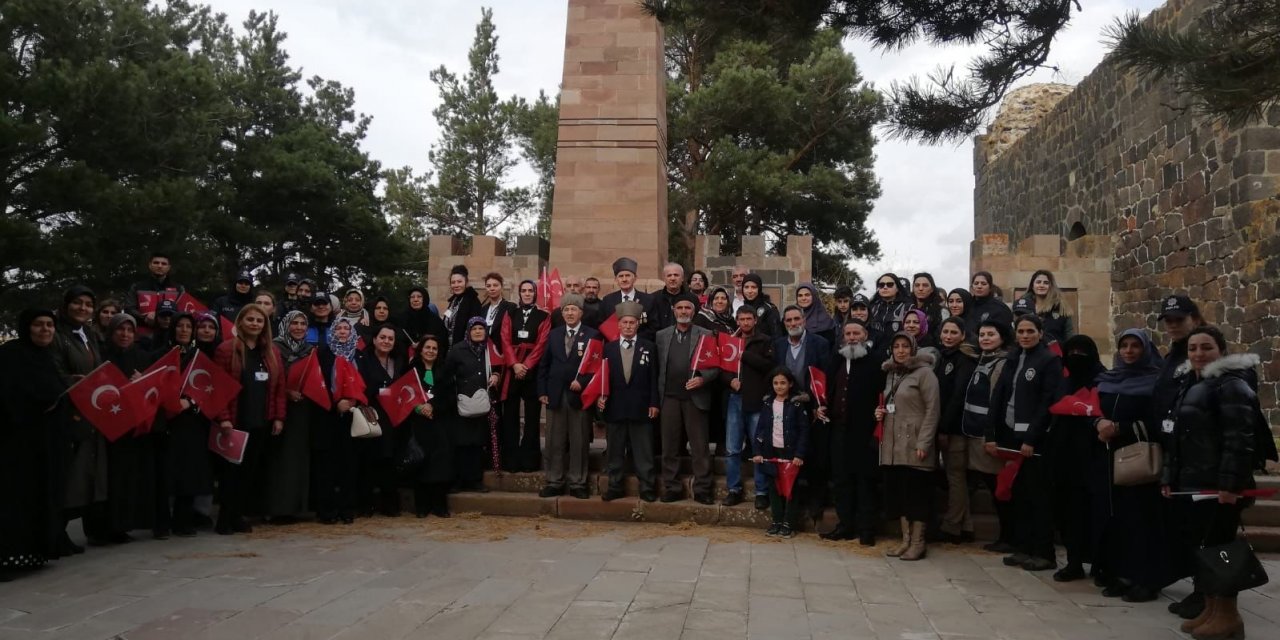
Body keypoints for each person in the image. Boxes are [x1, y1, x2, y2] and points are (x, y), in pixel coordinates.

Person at [1163, 326, 1262, 640]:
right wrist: (1169, 477)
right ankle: (1211, 609)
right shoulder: (1191, 385)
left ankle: (1229, 616)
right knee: (1203, 550)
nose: (1197, 354)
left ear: (1221, 350)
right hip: (1194, 484)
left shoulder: (1232, 386)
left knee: (1221, 553)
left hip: (1219, 487)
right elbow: (1177, 439)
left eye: (1206, 348)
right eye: (1192, 349)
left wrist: (1230, 485)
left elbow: (1240, 440)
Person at [1086, 330, 1172, 601]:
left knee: (1142, 520)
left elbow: (1160, 423)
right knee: (1118, 518)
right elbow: (1093, 410)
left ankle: (1146, 578)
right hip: (1108, 458)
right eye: (1124, 346)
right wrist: (1098, 423)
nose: (1129, 351)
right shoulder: (1108, 380)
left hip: (1139, 459)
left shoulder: (1156, 382)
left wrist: (1121, 428)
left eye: (1135, 346)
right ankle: (1121, 573)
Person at [987, 314, 1064, 572]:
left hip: (1034, 441)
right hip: (1010, 436)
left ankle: (1044, 553)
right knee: (1018, 495)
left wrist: (1033, 437)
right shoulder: (1012, 358)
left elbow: (1047, 403)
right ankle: (1023, 548)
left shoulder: (1049, 361)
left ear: (1040, 333)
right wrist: (992, 434)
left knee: (1037, 497)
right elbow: (999, 395)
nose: (1025, 336)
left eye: (1030, 331)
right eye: (1021, 331)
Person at [1151, 294, 1209, 619]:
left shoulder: (1199, 355)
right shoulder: (1173, 355)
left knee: (1201, 529)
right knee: (1184, 526)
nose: (1173, 325)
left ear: (1195, 319)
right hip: (1174, 453)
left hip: (1196, 456)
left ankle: (1207, 593)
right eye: (1169, 320)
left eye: (1179, 319)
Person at [0, 309, 67, 578]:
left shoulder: (46, 357)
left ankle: (33, 553)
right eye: (38, 325)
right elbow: (7, 396)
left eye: (50, 325)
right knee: (15, 500)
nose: (45, 330)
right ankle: (9, 557)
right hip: (16, 443)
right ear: (27, 327)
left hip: (44, 442)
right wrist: (37, 405)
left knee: (39, 496)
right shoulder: (10, 355)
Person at [212, 305, 286, 535]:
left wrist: (278, 417)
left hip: (260, 421)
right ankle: (225, 518)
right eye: (251, 319)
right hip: (235, 422)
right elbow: (217, 388)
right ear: (241, 321)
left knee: (249, 473)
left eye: (260, 321)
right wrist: (223, 419)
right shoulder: (226, 350)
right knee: (230, 474)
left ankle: (238, 515)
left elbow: (279, 388)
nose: (255, 324)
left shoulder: (271, 352)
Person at [816, 319, 885, 545]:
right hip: (839, 430)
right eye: (848, 333)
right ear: (843, 337)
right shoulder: (836, 360)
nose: (852, 337)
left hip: (864, 431)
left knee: (864, 482)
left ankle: (866, 530)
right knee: (841, 480)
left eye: (857, 333)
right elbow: (829, 390)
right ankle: (845, 526)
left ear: (865, 335)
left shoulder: (876, 362)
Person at [876, 333, 940, 561]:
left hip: (914, 442)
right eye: (896, 346)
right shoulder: (892, 374)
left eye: (905, 346)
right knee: (900, 494)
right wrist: (880, 412)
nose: (901, 350)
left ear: (913, 349)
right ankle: (904, 540)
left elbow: (933, 410)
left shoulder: (925, 374)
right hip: (894, 443)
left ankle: (918, 542)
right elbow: (890, 403)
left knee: (917, 495)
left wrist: (924, 442)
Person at [50, 285, 104, 555]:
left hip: (89, 411)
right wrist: (73, 382)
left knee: (83, 476)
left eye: (87, 304)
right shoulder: (57, 335)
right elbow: (55, 371)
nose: (83, 308)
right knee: (67, 475)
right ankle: (55, 532)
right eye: (77, 303)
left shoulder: (88, 335)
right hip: (68, 411)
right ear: (66, 304)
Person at [1049, 334, 1106, 583]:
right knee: (1068, 510)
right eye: (1071, 353)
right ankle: (1073, 562)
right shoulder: (1062, 381)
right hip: (1064, 455)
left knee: (1095, 511)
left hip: (1093, 456)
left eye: (1082, 353)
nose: (1076, 358)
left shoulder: (1103, 380)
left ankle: (1099, 561)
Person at [97, 314, 158, 542]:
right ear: (111, 333)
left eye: (130, 331)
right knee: (110, 478)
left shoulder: (142, 357)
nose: (125, 335)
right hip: (109, 427)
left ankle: (124, 524)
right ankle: (106, 527)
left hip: (134, 427)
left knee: (129, 477)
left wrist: (142, 380)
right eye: (120, 330)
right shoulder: (102, 357)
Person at [656, 295, 719, 504]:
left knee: (700, 447)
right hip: (669, 398)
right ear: (674, 311)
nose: (683, 311)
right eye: (680, 308)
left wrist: (702, 378)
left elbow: (714, 366)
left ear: (694, 312)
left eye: (687, 308)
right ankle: (672, 487)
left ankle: (702, 488)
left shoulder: (706, 334)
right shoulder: (662, 336)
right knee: (669, 447)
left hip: (695, 399)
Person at [536, 294, 599, 499]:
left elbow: (597, 367)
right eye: (566, 310)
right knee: (554, 439)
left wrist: (582, 381)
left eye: (573, 309)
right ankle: (554, 480)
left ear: (581, 312)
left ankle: (578, 482)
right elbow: (544, 365)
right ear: (561, 313)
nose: (570, 313)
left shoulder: (592, 335)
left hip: (579, 396)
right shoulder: (554, 334)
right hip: (555, 395)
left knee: (579, 439)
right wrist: (543, 391)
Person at [597, 302, 660, 502]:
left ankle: (647, 487)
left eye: (632, 323)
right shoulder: (608, 348)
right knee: (615, 450)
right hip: (615, 406)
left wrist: (654, 403)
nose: (628, 326)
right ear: (618, 325)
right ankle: (615, 486)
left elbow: (654, 378)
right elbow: (602, 377)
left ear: (637, 324)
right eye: (624, 322)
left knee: (643, 451)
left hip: (641, 406)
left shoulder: (648, 347)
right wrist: (601, 397)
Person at [962, 320, 1015, 552]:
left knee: (998, 488)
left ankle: (1009, 535)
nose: (984, 338)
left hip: (988, 434)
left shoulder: (1003, 363)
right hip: (973, 430)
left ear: (1002, 338)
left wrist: (993, 434)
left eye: (990, 335)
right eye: (982, 334)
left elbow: (999, 401)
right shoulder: (981, 359)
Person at [773, 305, 829, 521]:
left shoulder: (820, 344)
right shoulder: (778, 345)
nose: (793, 323)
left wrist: (817, 402)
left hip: (813, 408)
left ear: (804, 320)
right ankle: (791, 501)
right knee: (791, 454)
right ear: (784, 323)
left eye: (796, 319)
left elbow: (825, 375)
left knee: (815, 456)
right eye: (789, 320)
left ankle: (816, 501)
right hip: (788, 408)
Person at [163, 313, 214, 537]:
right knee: (166, 471)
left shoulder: (199, 357)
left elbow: (208, 384)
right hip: (165, 420)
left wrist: (190, 400)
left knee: (189, 471)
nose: (183, 330)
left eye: (188, 327)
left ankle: (184, 519)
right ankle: (163, 520)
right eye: (179, 326)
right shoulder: (161, 353)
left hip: (191, 420)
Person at [722, 306, 775, 509]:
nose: (745, 322)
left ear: (755, 320)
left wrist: (744, 353)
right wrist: (730, 381)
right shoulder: (730, 341)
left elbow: (769, 367)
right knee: (732, 449)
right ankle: (733, 489)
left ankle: (761, 491)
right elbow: (722, 368)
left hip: (757, 399)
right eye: (741, 319)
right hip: (735, 399)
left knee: (758, 447)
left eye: (749, 319)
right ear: (737, 320)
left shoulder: (764, 340)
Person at [264, 310, 315, 523]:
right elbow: (268, 379)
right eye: (294, 323)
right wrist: (287, 392)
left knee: (297, 461)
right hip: (280, 410)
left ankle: (295, 507)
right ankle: (277, 508)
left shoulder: (310, 350)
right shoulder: (273, 348)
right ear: (286, 324)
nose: (299, 327)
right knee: (279, 462)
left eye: (303, 323)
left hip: (302, 413)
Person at [496, 280, 550, 473]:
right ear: (519, 293)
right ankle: (511, 459)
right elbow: (504, 338)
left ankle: (529, 460)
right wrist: (514, 364)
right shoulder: (510, 314)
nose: (527, 294)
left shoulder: (544, 316)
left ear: (535, 294)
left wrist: (526, 366)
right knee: (510, 414)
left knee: (532, 416)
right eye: (524, 291)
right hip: (512, 369)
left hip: (532, 370)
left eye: (530, 291)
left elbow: (542, 344)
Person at [933, 317, 979, 544]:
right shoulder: (944, 356)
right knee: (955, 475)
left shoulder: (965, 359)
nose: (948, 336)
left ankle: (952, 526)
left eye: (953, 332)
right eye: (945, 331)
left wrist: (944, 428)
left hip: (955, 428)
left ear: (962, 335)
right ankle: (967, 525)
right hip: (945, 424)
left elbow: (957, 396)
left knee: (955, 476)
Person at [444, 318, 502, 493]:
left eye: (481, 328)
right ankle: (459, 479)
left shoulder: (489, 349)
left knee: (477, 443)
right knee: (461, 443)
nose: (478, 331)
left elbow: (499, 367)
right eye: (474, 328)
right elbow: (447, 374)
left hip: (482, 403)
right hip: (461, 403)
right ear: (468, 331)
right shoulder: (457, 350)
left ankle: (475, 479)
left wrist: (497, 376)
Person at [752, 367, 810, 539]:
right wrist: (757, 451)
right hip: (771, 452)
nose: (779, 386)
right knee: (774, 489)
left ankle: (788, 523)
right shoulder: (767, 403)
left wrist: (799, 455)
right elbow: (760, 429)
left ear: (790, 384)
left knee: (791, 489)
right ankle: (776, 521)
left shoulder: (797, 404)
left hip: (790, 453)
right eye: (776, 383)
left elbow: (804, 431)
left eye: (783, 383)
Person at [315, 317, 363, 524]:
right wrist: (336, 404)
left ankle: (346, 508)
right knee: (328, 466)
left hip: (353, 416)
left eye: (346, 328)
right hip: (328, 416)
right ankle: (327, 509)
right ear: (332, 332)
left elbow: (366, 381)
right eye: (339, 328)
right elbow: (318, 384)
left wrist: (355, 401)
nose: (343, 331)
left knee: (349, 464)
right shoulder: (323, 355)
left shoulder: (358, 355)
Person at [356, 324, 406, 516]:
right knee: (369, 459)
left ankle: (390, 504)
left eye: (390, 339)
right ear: (375, 339)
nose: (386, 341)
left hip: (393, 417)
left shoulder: (398, 360)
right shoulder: (363, 359)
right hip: (371, 415)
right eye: (383, 337)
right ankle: (366, 504)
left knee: (390, 460)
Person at [406, 335, 454, 517]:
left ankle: (439, 506)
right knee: (422, 464)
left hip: (440, 422)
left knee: (440, 465)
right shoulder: (412, 369)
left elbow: (450, 396)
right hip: (419, 424)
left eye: (434, 348)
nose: (431, 351)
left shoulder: (445, 370)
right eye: (427, 347)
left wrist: (433, 406)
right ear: (421, 350)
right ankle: (422, 506)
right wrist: (419, 407)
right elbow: (405, 392)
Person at [124, 251, 185, 336]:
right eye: (156, 263)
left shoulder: (179, 289)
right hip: (142, 336)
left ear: (169, 267)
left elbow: (183, 312)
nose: (159, 266)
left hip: (170, 336)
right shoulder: (137, 287)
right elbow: (129, 309)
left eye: (164, 264)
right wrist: (144, 318)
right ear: (150, 265)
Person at [600, 257, 656, 341]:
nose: (624, 279)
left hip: (640, 346)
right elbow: (603, 327)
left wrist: (633, 339)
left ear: (635, 278)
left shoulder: (648, 300)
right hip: (615, 348)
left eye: (628, 275)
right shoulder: (608, 300)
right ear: (616, 280)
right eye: (621, 276)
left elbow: (653, 328)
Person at [1021, 270, 1074, 343]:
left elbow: (1069, 334)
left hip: (1055, 352)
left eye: (1046, 283)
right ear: (1032, 286)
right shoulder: (1022, 307)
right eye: (1038, 282)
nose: (1041, 285)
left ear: (1051, 286)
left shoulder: (1061, 307)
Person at [443, 265, 484, 347]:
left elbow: (474, 330)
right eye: (453, 282)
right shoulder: (453, 301)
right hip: (449, 349)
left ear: (466, 282)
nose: (456, 285)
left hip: (464, 350)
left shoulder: (473, 301)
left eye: (459, 281)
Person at [964, 271, 1013, 337]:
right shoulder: (966, 305)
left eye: (983, 284)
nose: (979, 286)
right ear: (972, 287)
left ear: (990, 287)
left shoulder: (1000, 308)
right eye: (976, 283)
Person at [651, 262, 693, 334]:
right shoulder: (653, 298)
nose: (672, 278)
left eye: (676, 275)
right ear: (664, 278)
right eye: (669, 275)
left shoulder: (691, 299)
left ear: (682, 278)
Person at [868, 273, 909, 338]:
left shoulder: (908, 307)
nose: (885, 287)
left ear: (897, 288)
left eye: (890, 284)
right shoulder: (871, 308)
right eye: (881, 285)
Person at [480, 273, 517, 344]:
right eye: (488, 286)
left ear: (502, 287)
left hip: (501, 350)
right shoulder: (483, 309)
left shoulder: (510, 307)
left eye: (495, 285)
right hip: (484, 349)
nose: (492, 288)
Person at [911, 273, 946, 340]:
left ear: (932, 289)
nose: (920, 288)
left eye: (925, 285)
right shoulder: (906, 308)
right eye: (917, 285)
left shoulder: (941, 311)